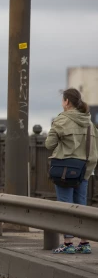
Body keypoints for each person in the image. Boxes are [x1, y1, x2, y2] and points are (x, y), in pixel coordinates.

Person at [45, 88, 98, 254]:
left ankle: (68, 243)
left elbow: (49, 144)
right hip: (84, 169)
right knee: (81, 204)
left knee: (65, 204)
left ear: (67, 102)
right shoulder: (89, 123)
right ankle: (84, 241)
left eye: (63, 100)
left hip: (65, 169)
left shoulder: (62, 120)